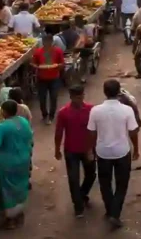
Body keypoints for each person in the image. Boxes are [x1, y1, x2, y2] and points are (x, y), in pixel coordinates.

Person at [89, 79, 141, 230]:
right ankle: (115, 214)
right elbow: (133, 132)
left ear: (104, 92)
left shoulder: (95, 110)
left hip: (103, 152)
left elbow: (92, 133)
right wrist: (136, 149)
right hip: (122, 151)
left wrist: (91, 149)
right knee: (122, 184)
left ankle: (110, 210)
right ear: (119, 92)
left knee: (105, 183)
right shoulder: (127, 110)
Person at [55, 86, 96, 217]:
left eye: (82, 96)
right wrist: (57, 149)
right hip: (71, 150)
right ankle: (78, 206)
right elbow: (59, 132)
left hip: (87, 149)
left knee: (91, 175)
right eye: (77, 97)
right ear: (71, 97)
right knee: (73, 179)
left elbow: (95, 130)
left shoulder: (91, 110)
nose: (80, 99)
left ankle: (82, 195)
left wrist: (94, 148)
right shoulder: (63, 112)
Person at [0, 100, 34, 229]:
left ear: (4, 112)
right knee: (20, 186)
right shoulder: (23, 121)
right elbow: (29, 137)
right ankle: (19, 214)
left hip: (7, 162)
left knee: (6, 189)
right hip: (23, 159)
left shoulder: (2, 126)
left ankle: (9, 220)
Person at [33, 33, 65, 125]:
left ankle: (51, 116)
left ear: (51, 42)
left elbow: (62, 63)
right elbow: (33, 63)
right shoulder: (38, 52)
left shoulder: (58, 51)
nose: (46, 43)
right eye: (44, 41)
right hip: (41, 78)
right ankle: (44, 114)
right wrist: (38, 67)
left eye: (47, 41)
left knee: (53, 97)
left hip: (54, 78)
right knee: (42, 98)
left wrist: (56, 65)